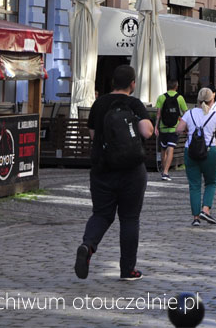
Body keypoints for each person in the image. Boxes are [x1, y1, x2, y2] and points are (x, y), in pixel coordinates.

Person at [75, 64, 154, 281]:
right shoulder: (134, 103)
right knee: (129, 218)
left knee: (101, 214)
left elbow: (92, 134)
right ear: (132, 84)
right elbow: (147, 132)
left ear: (112, 83)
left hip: (102, 169)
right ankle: (128, 270)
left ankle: (88, 245)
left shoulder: (99, 104)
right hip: (132, 170)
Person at [174, 88, 216, 226]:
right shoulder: (215, 115)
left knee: (194, 185)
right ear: (212, 100)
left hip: (190, 151)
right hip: (210, 152)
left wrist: (188, 130)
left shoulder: (189, 113)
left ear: (197, 100)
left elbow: (178, 129)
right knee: (211, 182)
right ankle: (206, 209)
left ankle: (196, 218)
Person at [155, 79, 188, 181]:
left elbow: (158, 114)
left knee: (163, 149)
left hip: (163, 127)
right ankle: (165, 172)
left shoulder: (161, 97)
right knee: (171, 148)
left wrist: (156, 127)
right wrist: (185, 126)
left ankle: (163, 171)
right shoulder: (180, 98)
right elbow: (186, 113)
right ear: (176, 87)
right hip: (174, 128)